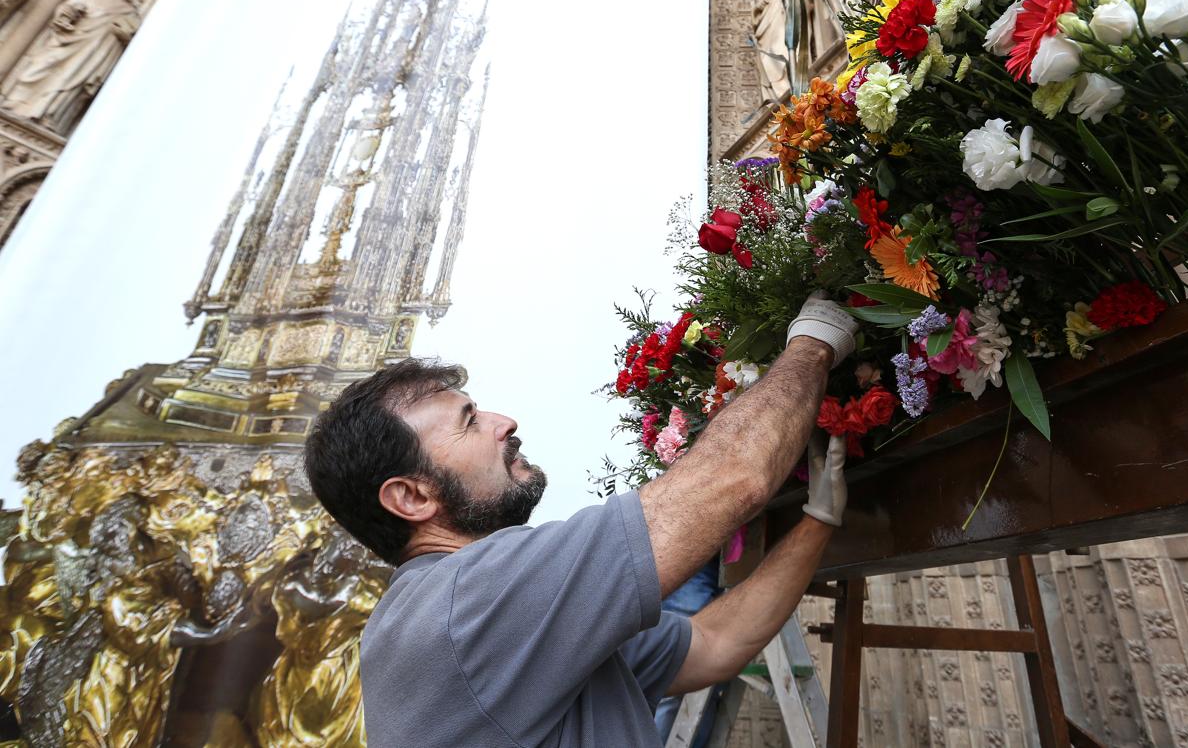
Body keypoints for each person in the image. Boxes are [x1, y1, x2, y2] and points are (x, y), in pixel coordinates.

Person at [304, 293, 859, 747]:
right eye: (469, 421)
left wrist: (818, 519)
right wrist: (816, 338)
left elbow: (715, 643)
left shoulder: (505, 630)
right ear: (411, 497)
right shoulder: (466, 602)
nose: (504, 422)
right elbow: (733, 477)